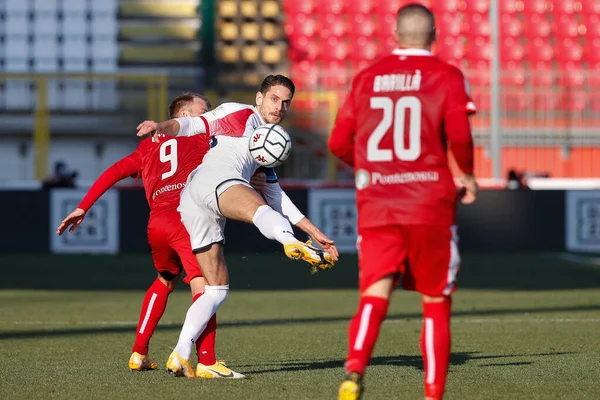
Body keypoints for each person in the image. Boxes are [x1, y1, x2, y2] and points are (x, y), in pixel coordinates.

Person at [135, 74, 340, 377]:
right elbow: (193, 124)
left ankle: (180, 353)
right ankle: (289, 243)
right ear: (259, 98)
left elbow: (276, 195)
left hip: (194, 204)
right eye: (274, 98)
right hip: (214, 181)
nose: (280, 106)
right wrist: (161, 127)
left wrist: (312, 231)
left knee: (216, 289)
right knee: (257, 207)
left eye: (286, 102)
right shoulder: (238, 112)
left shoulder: (264, 143)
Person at [328, 4, 479, 400]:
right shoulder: (447, 75)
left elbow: (338, 143)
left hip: (378, 205)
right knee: (435, 301)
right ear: (435, 34)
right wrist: (465, 174)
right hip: (430, 203)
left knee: (374, 295)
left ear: (395, 35)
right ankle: (432, 393)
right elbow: (460, 136)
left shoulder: (367, 78)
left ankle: (354, 370)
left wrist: (372, 166)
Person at [56, 92, 248, 378]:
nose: (209, 116)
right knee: (206, 287)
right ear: (184, 116)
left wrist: (83, 206)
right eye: (203, 111)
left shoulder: (146, 148)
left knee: (165, 280)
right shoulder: (200, 137)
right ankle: (207, 360)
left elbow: (114, 171)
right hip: (186, 216)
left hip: (158, 222)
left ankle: (139, 353)